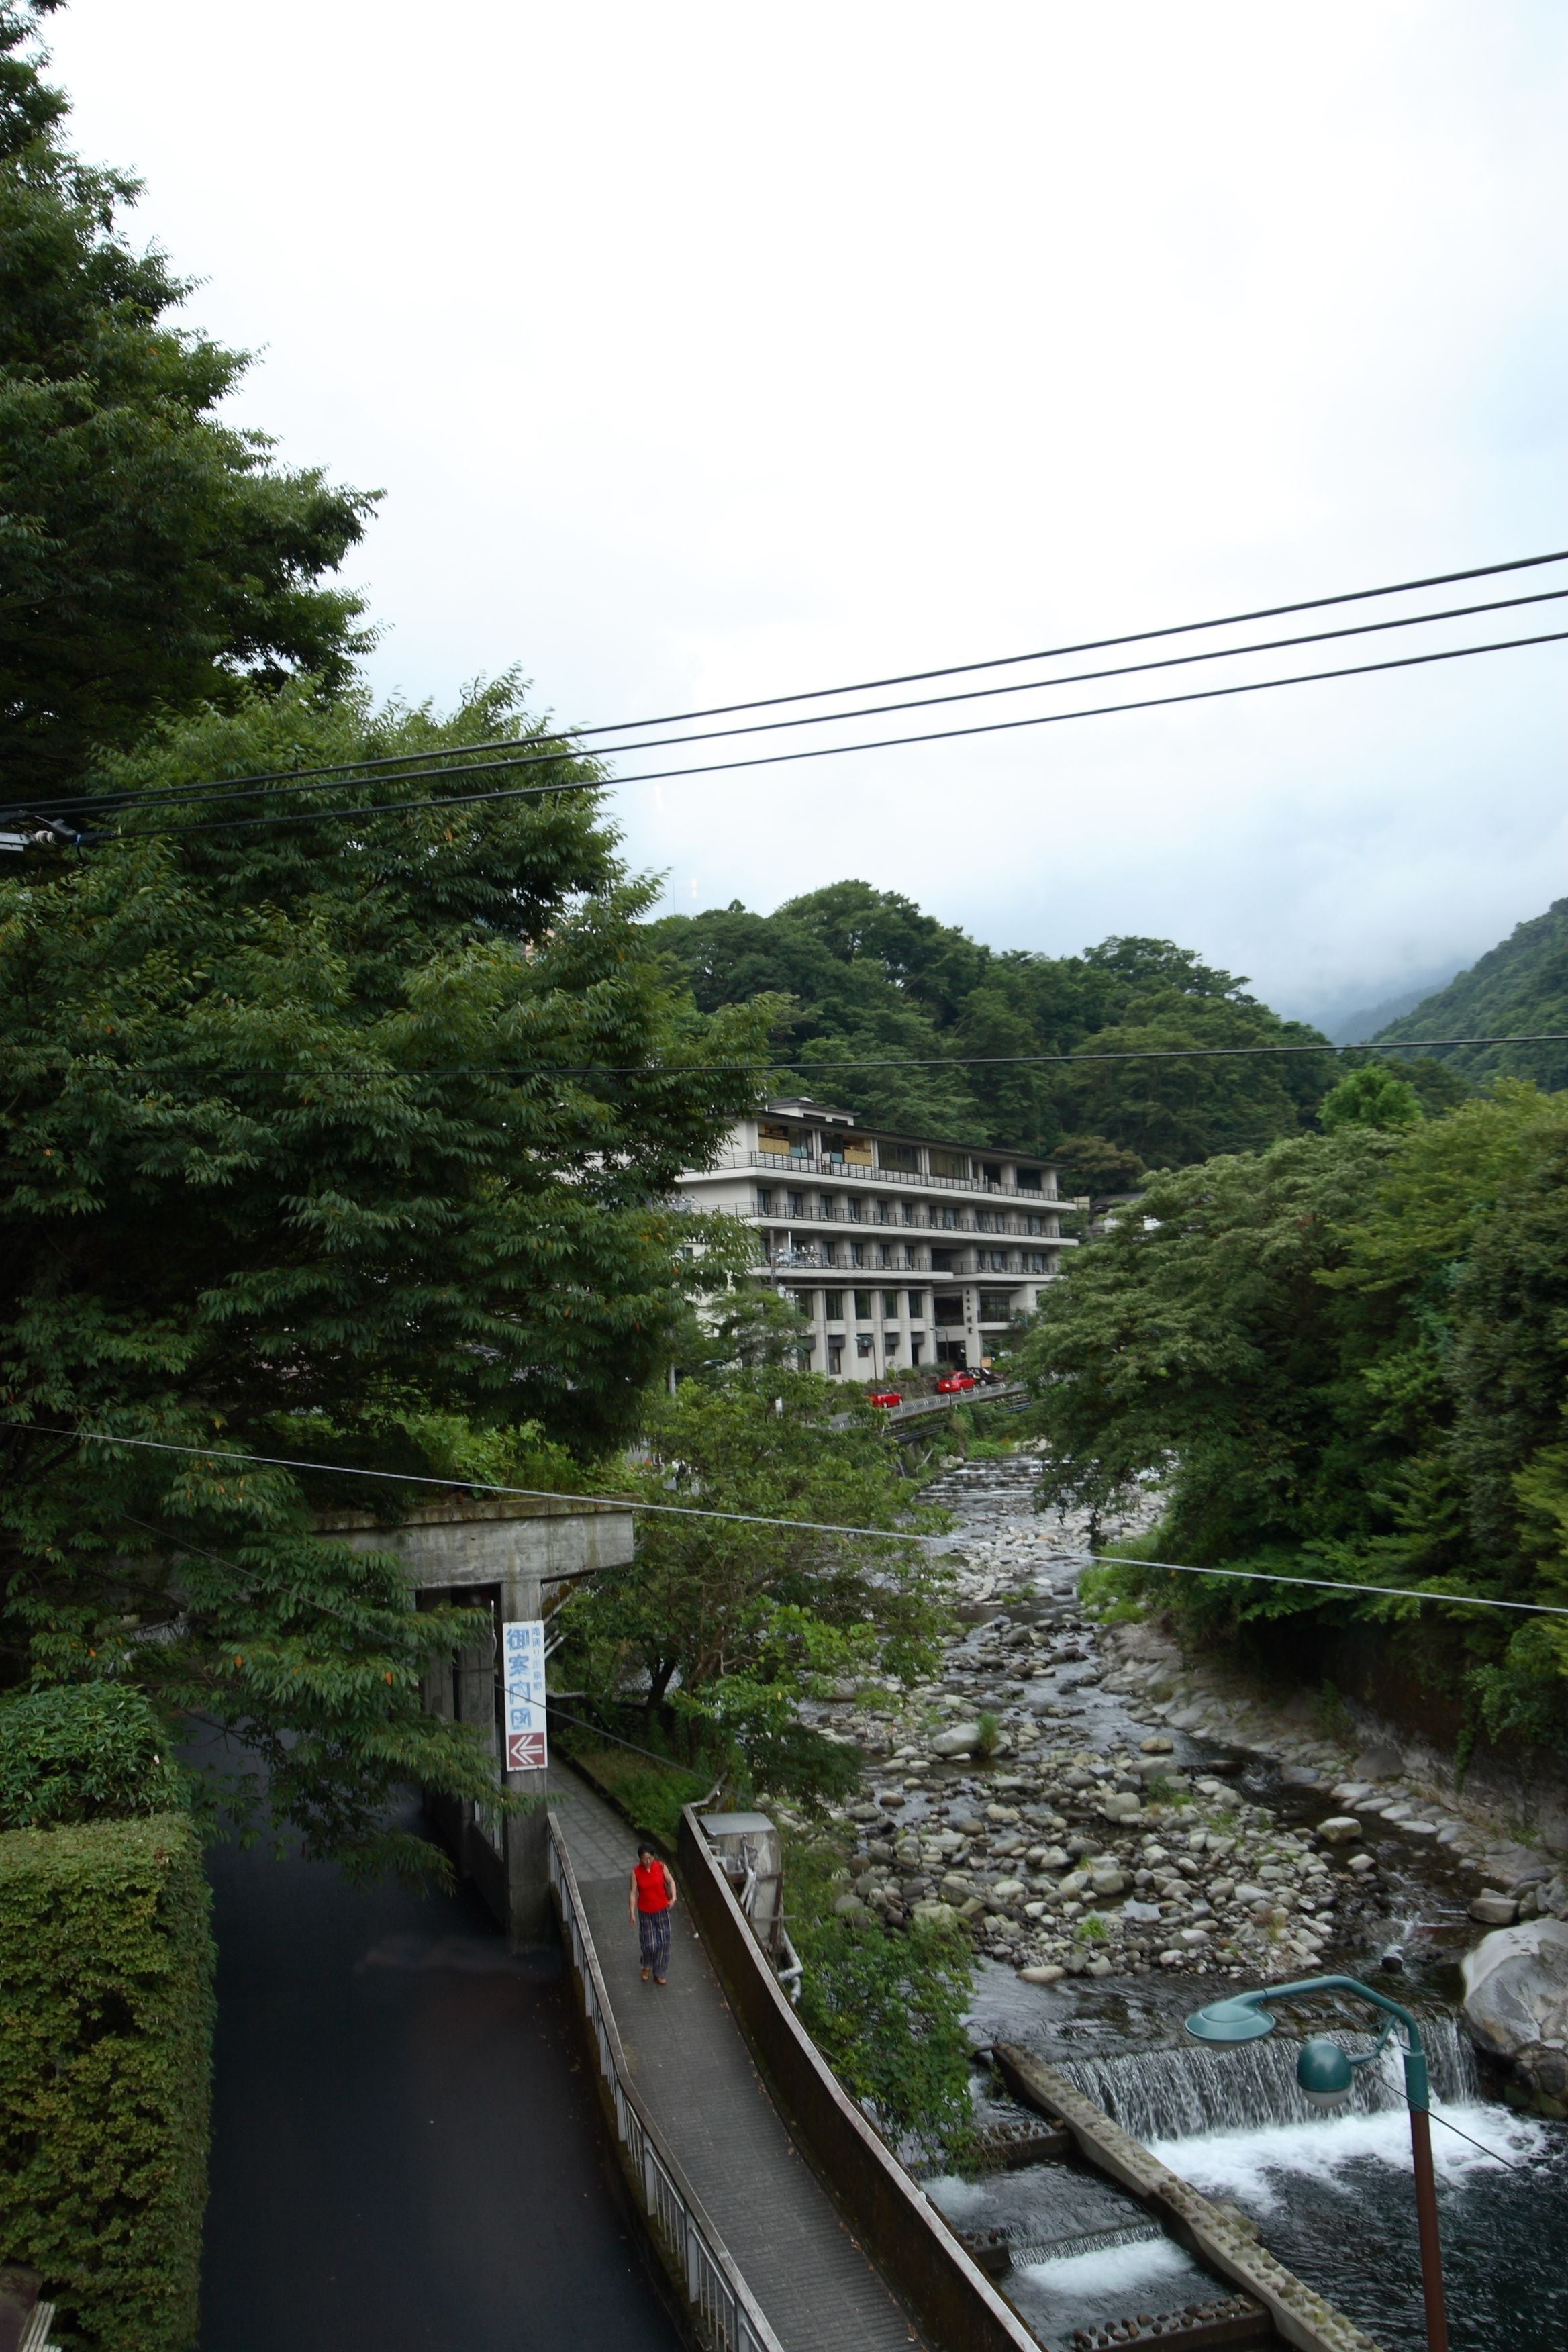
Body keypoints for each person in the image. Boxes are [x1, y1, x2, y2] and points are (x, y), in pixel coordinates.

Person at [629, 1842, 677, 1983]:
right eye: (645, 1859)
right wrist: (632, 1913)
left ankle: (660, 1972)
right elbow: (633, 1893)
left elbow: (671, 1882)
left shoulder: (661, 1867)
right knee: (650, 1944)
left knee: (664, 1942)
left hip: (662, 1910)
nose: (648, 1861)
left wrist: (673, 1898)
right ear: (640, 1859)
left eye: (650, 1858)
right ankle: (647, 1964)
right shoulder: (636, 1873)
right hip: (646, 1912)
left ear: (654, 1857)